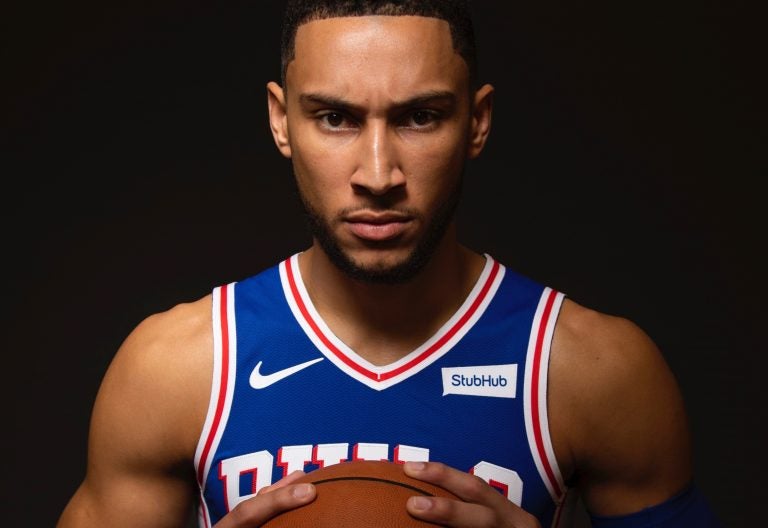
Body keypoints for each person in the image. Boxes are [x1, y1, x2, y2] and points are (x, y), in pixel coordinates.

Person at [58, 1, 722, 527]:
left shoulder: (588, 370)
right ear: (281, 120)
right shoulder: (180, 367)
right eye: (336, 118)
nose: (379, 173)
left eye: (420, 117)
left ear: (478, 122)